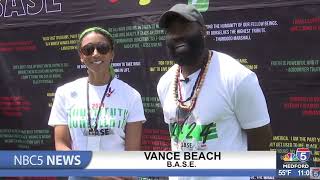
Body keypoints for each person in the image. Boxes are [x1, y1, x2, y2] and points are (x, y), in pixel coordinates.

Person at [157, 4, 272, 179]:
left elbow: (261, 139)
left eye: (185, 27)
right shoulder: (165, 82)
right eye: (171, 31)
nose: (178, 35)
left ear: (203, 31)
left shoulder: (236, 77)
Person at [48, 27, 146, 179]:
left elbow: (132, 151)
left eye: (102, 48)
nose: (95, 54)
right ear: (81, 56)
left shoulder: (131, 95)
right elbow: (61, 146)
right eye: (88, 49)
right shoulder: (64, 93)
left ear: (112, 53)